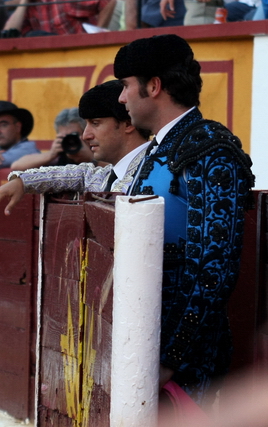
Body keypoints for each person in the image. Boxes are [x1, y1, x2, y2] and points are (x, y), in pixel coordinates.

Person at [114, 34, 254, 405]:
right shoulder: (158, 148)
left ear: (154, 86)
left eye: (126, 86)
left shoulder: (211, 148)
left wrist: (171, 359)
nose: (121, 98)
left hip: (186, 357)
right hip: (145, 340)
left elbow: (215, 267)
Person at [0, 80, 151, 221]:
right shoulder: (106, 174)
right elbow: (79, 174)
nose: (85, 135)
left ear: (128, 124)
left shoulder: (154, 169)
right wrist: (22, 182)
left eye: (95, 123)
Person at [11, 107, 94, 171]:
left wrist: (90, 159)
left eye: (74, 135)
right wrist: (51, 154)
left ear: (85, 134)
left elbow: (106, 168)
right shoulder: (58, 156)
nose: (70, 140)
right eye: (65, 137)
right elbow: (16, 166)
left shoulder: (98, 153)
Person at [1, 0, 115, 36]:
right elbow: (8, 32)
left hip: (79, 53)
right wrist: (24, 1)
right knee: (35, 35)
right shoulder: (30, 5)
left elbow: (108, 2)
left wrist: (97, 35)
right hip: (50, 60)